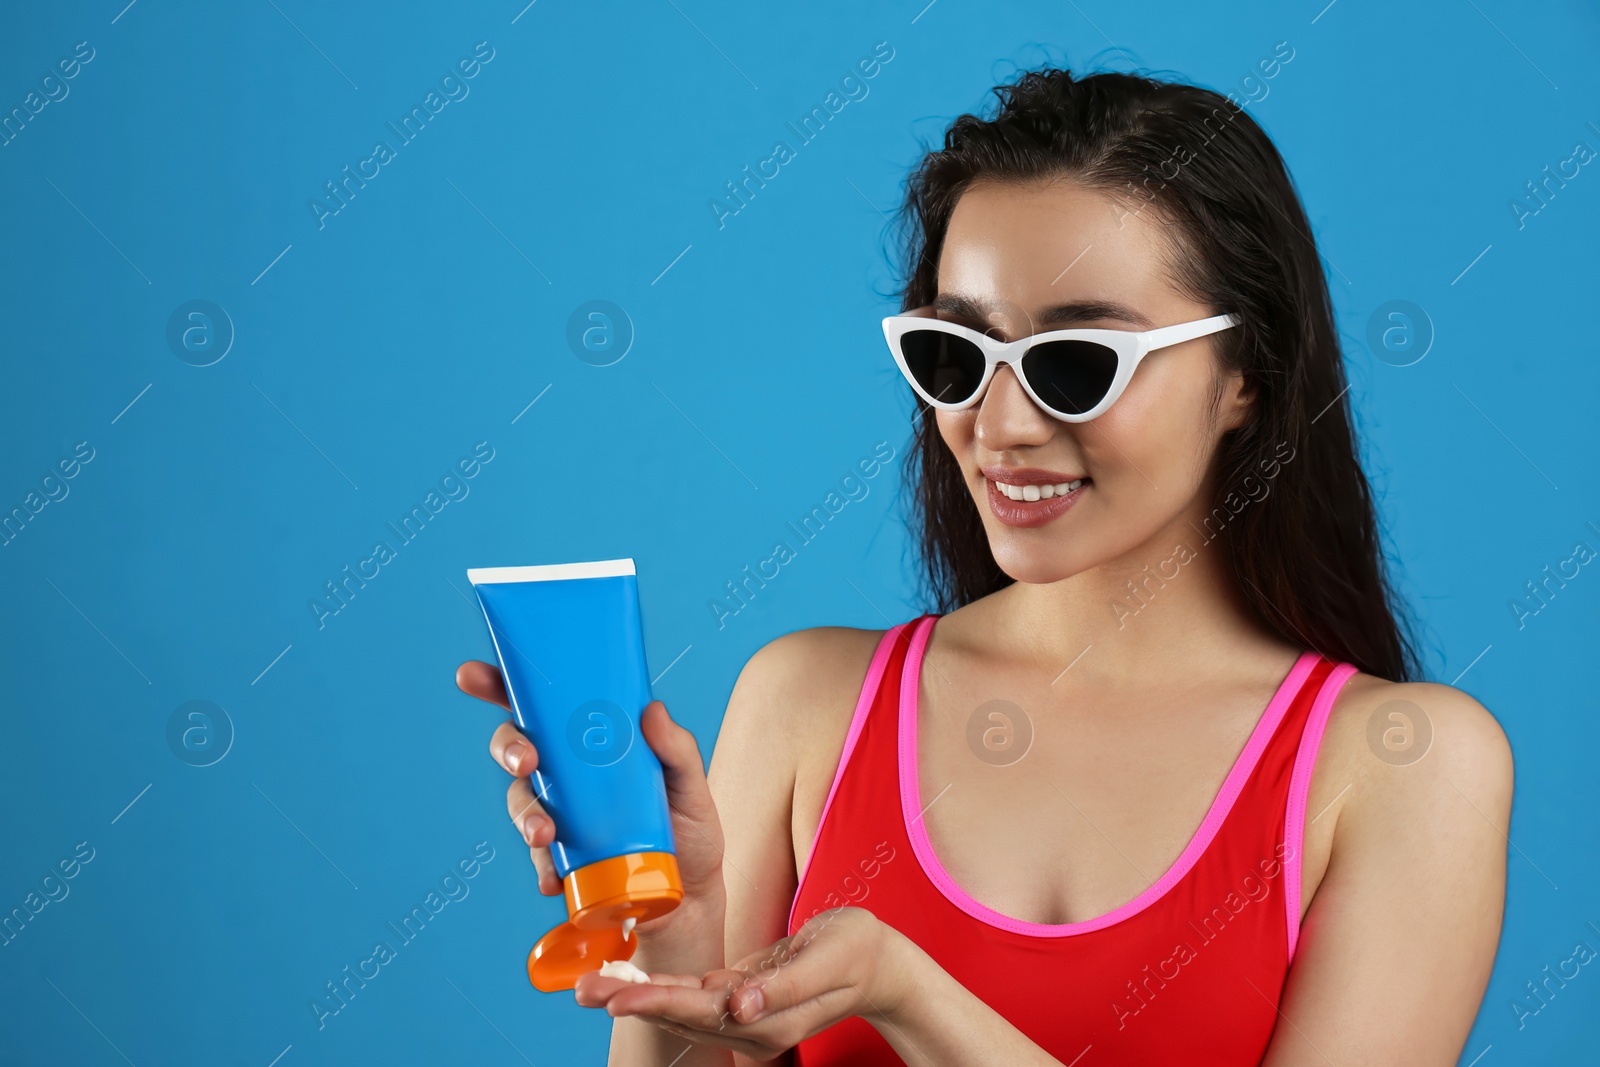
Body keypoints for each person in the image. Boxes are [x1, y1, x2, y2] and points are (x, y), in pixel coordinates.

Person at [457, 64, 1512, 1065]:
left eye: (1074, 362)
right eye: (955, 354)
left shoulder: (1404, 766)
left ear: (1246, 375)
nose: (997, 423)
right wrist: (677, 944)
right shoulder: (807, 701)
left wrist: (912, 995)